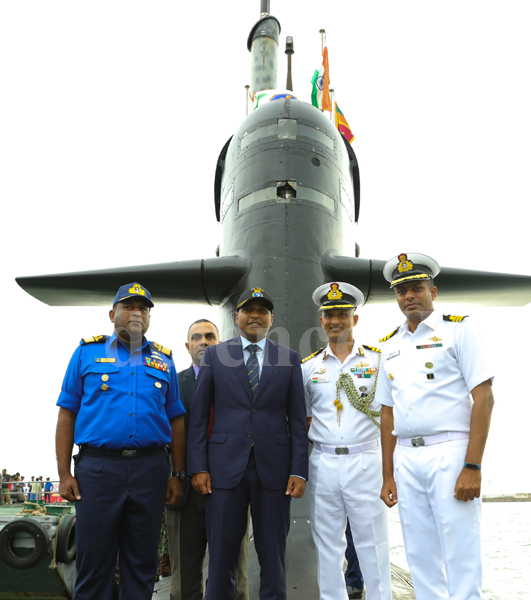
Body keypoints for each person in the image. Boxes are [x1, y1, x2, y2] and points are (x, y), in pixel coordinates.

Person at [55, 282, 186, 600]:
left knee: (142, 565)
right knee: (94, 564)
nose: (137, 313)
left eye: (143, 308)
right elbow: (66, 415)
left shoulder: (164, 360)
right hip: (98, 470)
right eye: (129, 306)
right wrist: (63, 474)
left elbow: (177, 421)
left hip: (151, 470)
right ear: (113, 313)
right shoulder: (87, 352)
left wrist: (176, 474)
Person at [377, 253, 495, 600]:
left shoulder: (459, 329)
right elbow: (387, 414)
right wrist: (388, 475)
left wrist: (472, 465)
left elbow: (484, 398)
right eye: (401, 292)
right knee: (419, 551)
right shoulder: (389, 345)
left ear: (433, 291)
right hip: (407, 457)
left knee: (460, 547)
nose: (408, 296)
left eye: (416, 288)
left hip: (450, 451)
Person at [188, 288, 309, 600]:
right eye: (248, 310)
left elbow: (297, 422)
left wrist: (299, 471)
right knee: (221, 557)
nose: (256, 315)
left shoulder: (289, 359)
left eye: (263, 310)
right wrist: (198, 467)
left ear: (271, 318)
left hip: (275, 471)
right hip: (224, 469)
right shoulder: (215, 355)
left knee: (273, 556)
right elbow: (199, 418)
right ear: (236, 316)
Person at [300, 282, 391, 600]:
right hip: (324, 462)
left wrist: (390, 473)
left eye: (342, 313)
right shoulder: (308, 368)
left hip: (365, 461)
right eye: (329, 315)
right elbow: (307, 418)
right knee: (327, 546)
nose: (335, 320)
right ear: (321, 320)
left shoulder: (379, 362)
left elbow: (390, 418)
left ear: (355, 318)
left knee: (372, 545)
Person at [165, 319, 250, 600]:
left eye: (210, 336)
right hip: (185, 491)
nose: (204, 341)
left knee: (234, 576)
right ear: (187, 346)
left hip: (231, 487)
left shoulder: (242, 381)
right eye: (197, 337)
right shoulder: (172, 384)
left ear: (220, 344)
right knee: (184, 580)